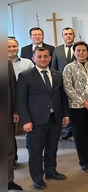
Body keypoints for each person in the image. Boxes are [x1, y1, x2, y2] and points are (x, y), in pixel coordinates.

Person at [17, 47, 70, 190]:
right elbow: (21, 100)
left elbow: (62, 96)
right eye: (39, 56)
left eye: (45, 56)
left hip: (55, 118)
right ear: (33, 58)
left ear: (50, 58)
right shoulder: (25, 75)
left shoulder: (57, 74)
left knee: (52, 148)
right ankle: (37, 177)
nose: (43, 59)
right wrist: (26, 120)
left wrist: (65, 114)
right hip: (35, 121)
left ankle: (51, 171)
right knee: (35, 151)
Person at [63, 41, 88, 172]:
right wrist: (83, 102)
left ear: (87, 52)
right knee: (80, 135)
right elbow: (68, 88)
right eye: (78, 50)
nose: (81, 53)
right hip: (77, 107)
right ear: (74, 52)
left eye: (84, 50)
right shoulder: (69, 68)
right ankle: (84, 161)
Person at [8, 36, 34, 167]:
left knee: (29, 128)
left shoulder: (27, 62)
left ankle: (33, 154)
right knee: (10, 132)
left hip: (26, 99)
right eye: (9, 46)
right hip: (9, 101)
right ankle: (13, 158)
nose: (12, 49)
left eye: (14, 46)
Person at [52, 27, 77, 140]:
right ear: (62, 36)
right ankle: (68, 129)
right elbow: (54, 67)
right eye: (66, 34)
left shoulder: (79, 48)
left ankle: (75, 128)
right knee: (65, 105)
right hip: (62, 82)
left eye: (70, 34)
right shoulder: (57, 50)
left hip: (77, 83)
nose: (68, 36)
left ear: (74, 36)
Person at [7, 60, 23, 191]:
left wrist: (15, 110)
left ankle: (8, 181)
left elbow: (13, 87)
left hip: (5, 113)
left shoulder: (6, 63)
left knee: (9, 151)